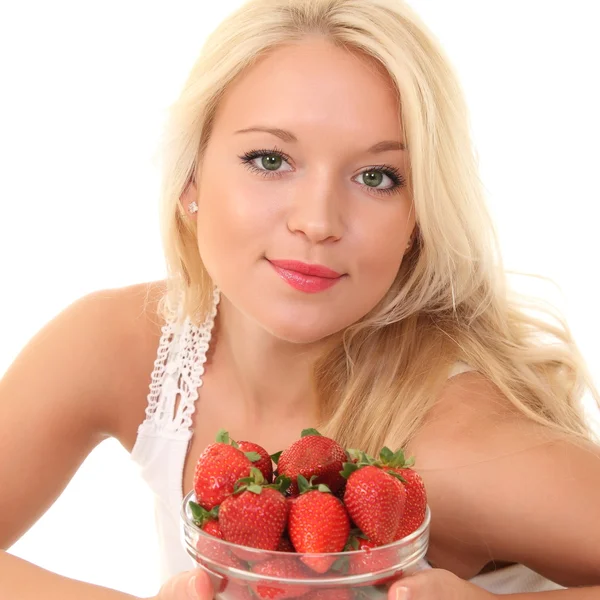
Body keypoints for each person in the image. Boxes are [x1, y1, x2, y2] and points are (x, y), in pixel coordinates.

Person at [1, 0, 599, 598]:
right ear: (191, 179)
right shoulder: (122, 347)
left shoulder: (456, 444)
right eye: (270, 160)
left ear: (418, 218)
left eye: (376, 177)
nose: (317, 223)